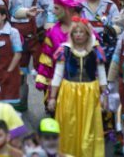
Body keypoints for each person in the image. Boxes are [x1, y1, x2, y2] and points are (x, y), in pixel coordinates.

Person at [47, 17, 107, 157]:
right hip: (69, 92)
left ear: (87, 34)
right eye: (76, 32)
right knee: (69, 127)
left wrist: (105, 95)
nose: (79, 34)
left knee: (89, 128)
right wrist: (52, 98)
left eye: (82, 32)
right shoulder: (65, 50)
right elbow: (57, 75)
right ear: (72, 34)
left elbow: (102, 75)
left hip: (90, 93)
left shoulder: (95, 50)